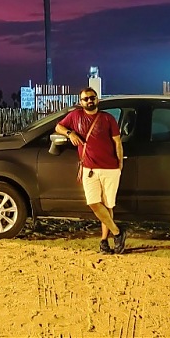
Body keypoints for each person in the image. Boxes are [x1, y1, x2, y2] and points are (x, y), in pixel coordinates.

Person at [55, 87, 127, 254]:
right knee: (94, 203)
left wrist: (120, 164)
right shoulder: (75, 116)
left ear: (97, 99)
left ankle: (104, 242)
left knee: (108, 205)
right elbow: (58, 126)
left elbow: (117, 143)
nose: (89, 101)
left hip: (110, 168)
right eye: (85, 98)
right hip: (89, 169)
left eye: (92, 98)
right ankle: (118, 232)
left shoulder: (107, 119)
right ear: (81, 102)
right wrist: (70, 133)